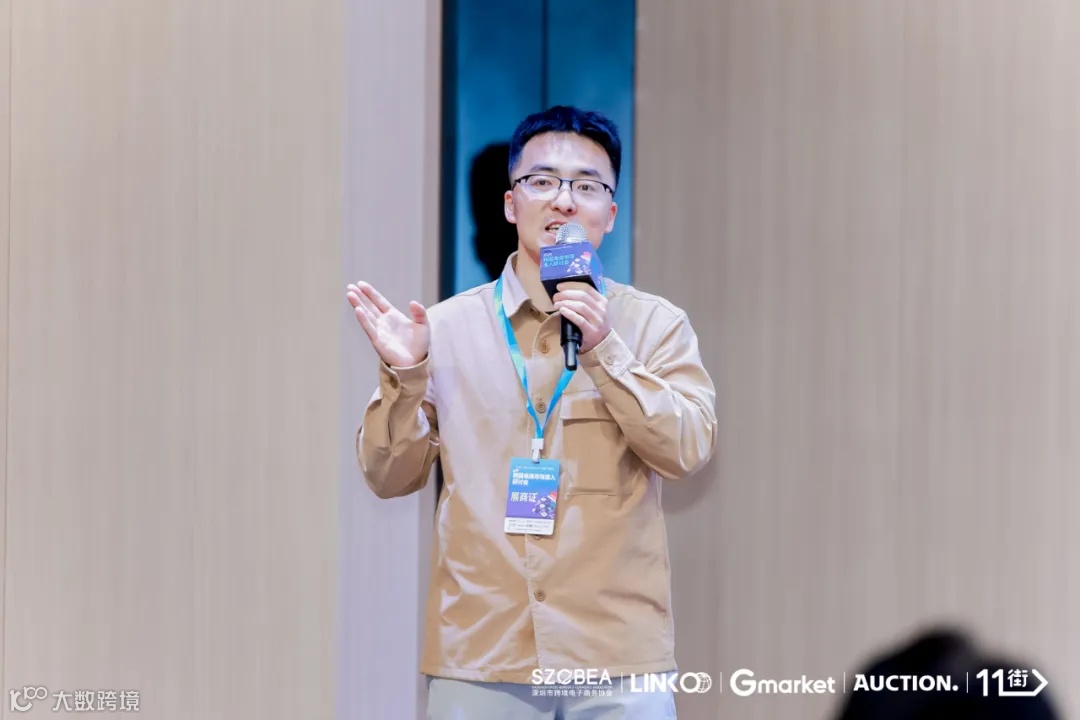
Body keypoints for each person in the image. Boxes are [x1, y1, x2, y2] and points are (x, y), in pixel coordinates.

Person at [346, 106, 718, 719]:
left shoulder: (655, 326)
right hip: (482, 654)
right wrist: (406, 378)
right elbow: (388, 475)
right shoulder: (444, 328)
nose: (564, 200)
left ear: (610, 214)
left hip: (617, 657)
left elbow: (688, 450)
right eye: (542, 181)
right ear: (511, 205)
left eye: (587, 186)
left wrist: (605, 351)